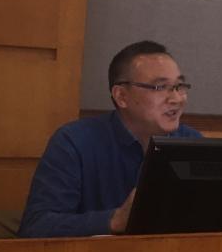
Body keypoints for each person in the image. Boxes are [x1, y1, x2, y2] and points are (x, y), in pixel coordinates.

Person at [18, 40, 201, 238]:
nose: (177, 99)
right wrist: (115, 220)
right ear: (121, 96)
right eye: (160, 87)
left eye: (179, 86)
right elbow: (36, 227)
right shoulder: (74, 142)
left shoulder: (192, 143)